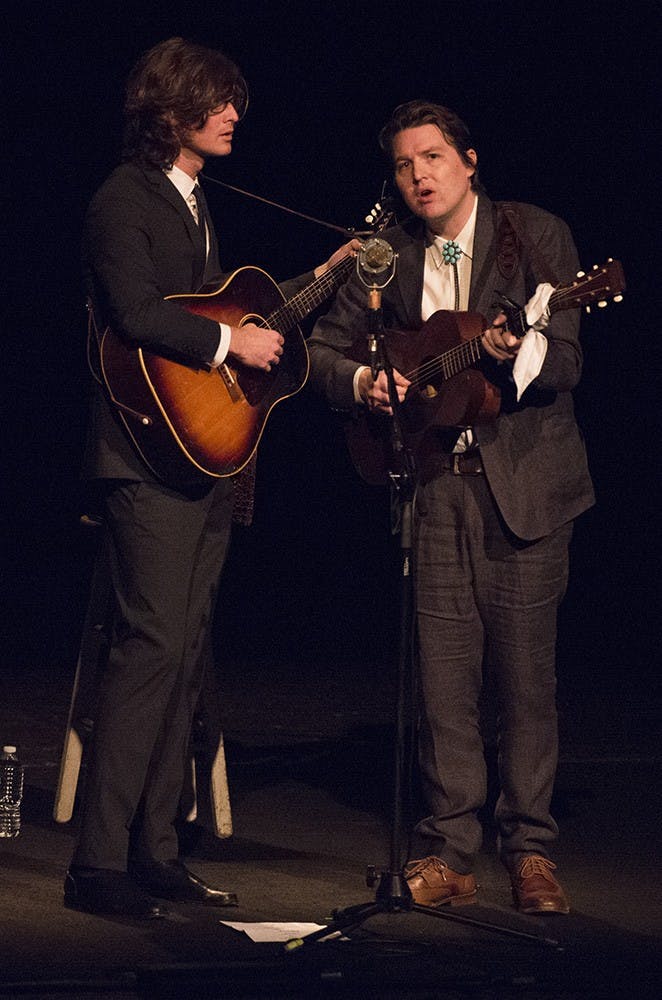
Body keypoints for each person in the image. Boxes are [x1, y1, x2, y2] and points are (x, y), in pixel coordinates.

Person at [65, 37, 355, 919]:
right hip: (145, 465)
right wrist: (233, 343)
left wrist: (329, 277)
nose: (235, 114)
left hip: (202, 461)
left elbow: (220, 310)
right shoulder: (126, 198)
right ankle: (97, 864)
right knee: (149, 650)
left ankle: (156, 850)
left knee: (186, 654)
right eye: (219, 101)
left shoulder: (194, 202)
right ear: (172, 110)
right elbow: (137, 312)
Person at [307, 99, 595, 914]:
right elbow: (324, 349)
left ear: (469, 160)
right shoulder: (386, 254)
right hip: (432, 485)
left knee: (525, 681)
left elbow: (568, 361)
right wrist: (366, 382)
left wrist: (514, 351)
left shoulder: (535, 236)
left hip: (527, 490)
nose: (418, 176)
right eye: (403, 164)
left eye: (431, 157)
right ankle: (450, 850)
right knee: (441, 683)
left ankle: (531, 851)